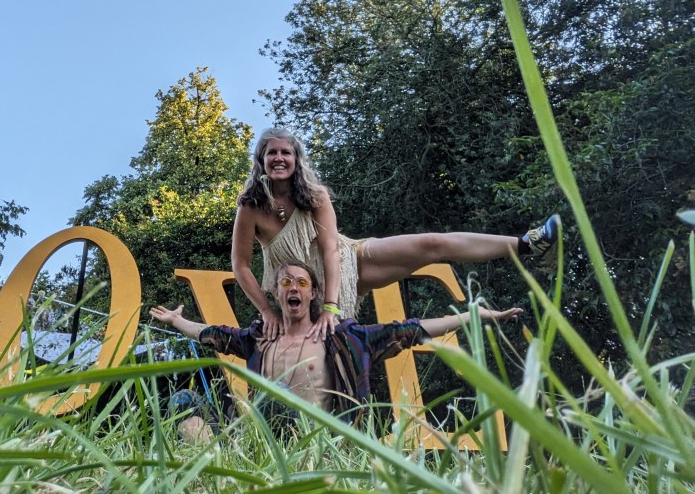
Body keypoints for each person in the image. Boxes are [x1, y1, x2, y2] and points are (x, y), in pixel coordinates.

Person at [232, 127, 561, 341]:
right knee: (335, 350)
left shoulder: (314, 196)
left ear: (296, 160)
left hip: (347, 264)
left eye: (285, 152)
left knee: (431, 244)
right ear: (261, 160)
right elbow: (241, 265)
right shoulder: (251, 207)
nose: (279, 158)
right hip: (299, 289)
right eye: (271, 153)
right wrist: (267, 311)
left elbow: (330, 250)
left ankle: (529, 244)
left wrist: (332, 306)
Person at [149, 260, 522, 435]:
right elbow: (212, 334)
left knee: (279, 395)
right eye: (285, 283)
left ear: (313, 293)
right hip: (260, 436)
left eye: (301, 283)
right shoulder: (259, 337)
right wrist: (177, 321)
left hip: (318, 439)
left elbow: (411, 329)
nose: (293, 288)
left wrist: (475, 316)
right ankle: (219, 468)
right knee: (184, 403)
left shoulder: (346, 338)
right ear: (276, 293)